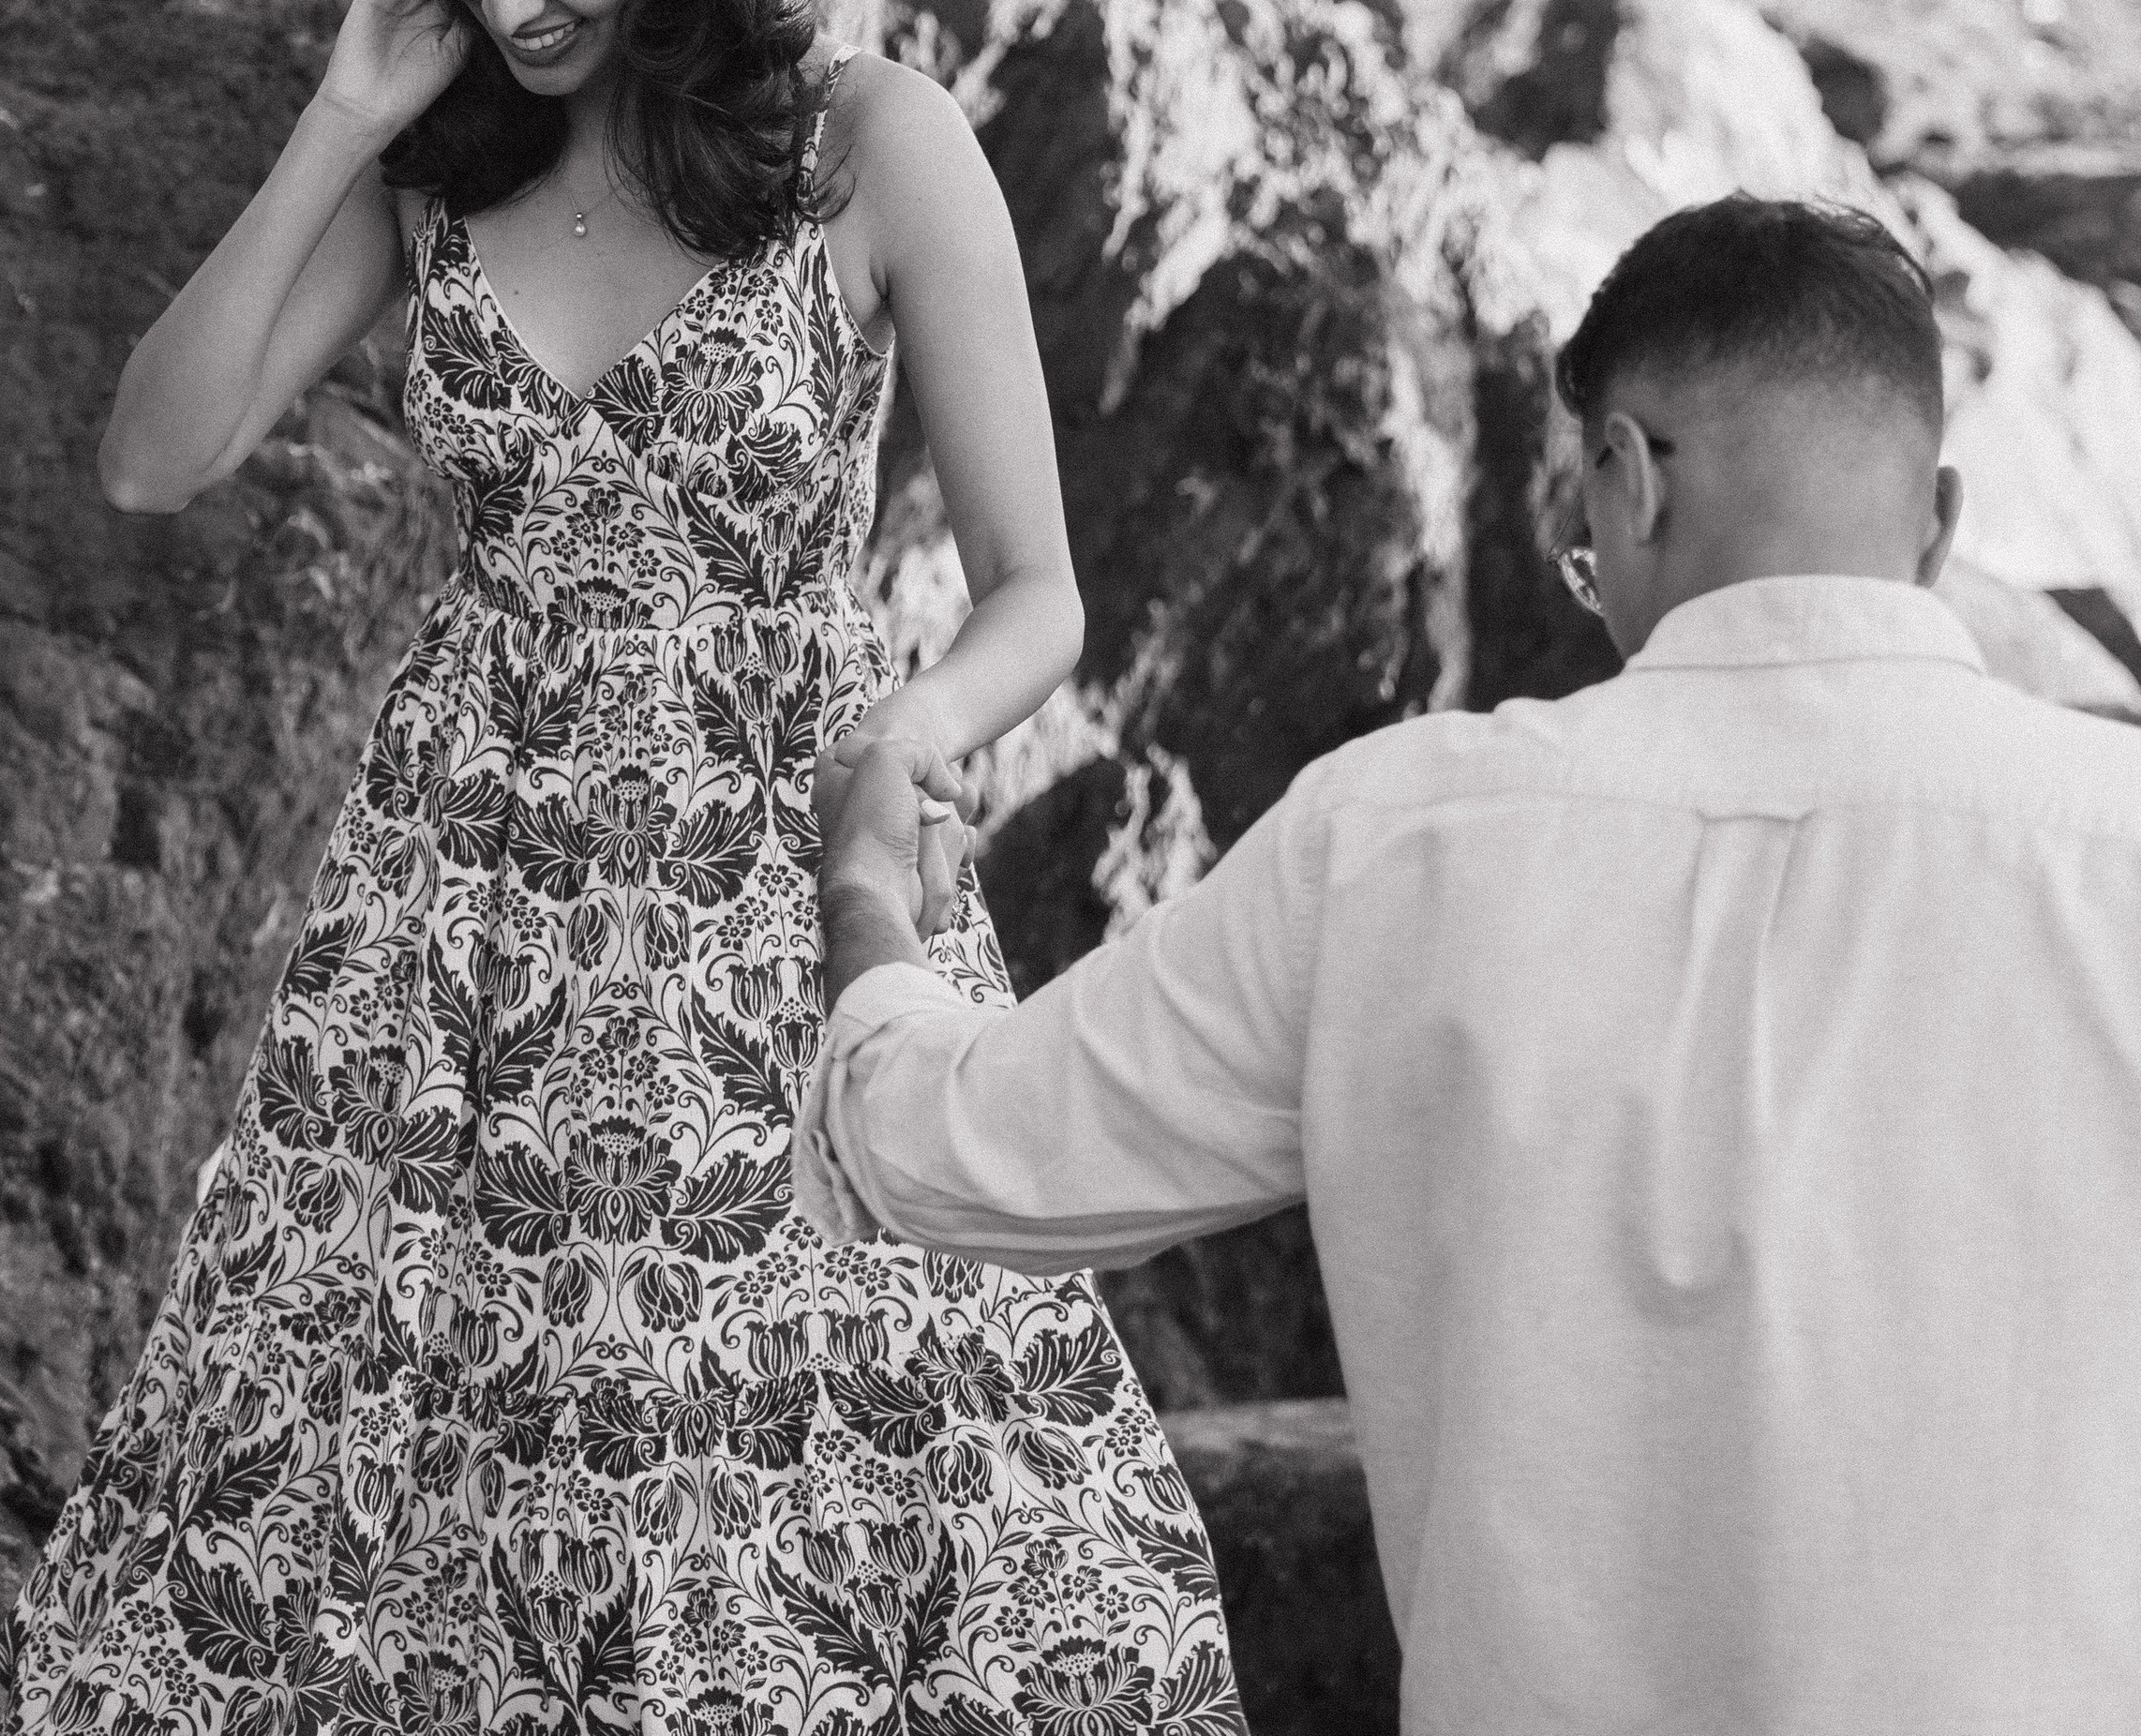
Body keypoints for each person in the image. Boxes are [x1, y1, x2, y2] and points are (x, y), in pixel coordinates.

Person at [1, 0, 1239, 1734]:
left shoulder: (869, 142)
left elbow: (1039, 594)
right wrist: (338, 115)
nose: (514, 0)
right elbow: (154, 453)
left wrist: (901, 747)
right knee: (421, 1482)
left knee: (817, 1470)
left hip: (781, 872)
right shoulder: (437, 173)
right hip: (456, 922)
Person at [799, 195, 2141, 1736]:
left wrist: (865, 888)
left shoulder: (1398, 839)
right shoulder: (2116, 848)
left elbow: (949, 1150)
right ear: (1944, 520)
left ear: (1626, 479)